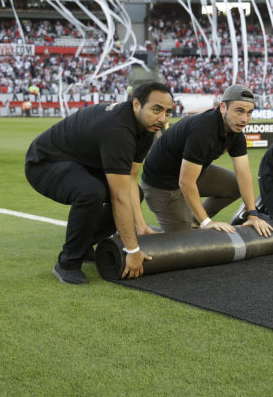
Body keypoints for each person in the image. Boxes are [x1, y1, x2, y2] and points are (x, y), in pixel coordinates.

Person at [25, 81, 175, 284]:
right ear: (136, 104)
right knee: (91, 192)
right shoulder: (118, 129)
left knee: (136, 194)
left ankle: (84, 244)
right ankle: (67, 263)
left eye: (167, 112)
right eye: (156, 110)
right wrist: (133, 250)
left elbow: (130, 178)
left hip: (81, 164)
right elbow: (119, 197)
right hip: (44, 163)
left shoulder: (147, 128)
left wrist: (140, 225)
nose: (162, 118)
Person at [140, 84, 273, 237]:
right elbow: (185, 182)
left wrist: (253, 215)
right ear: (223, 107)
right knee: (183, 240)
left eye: (249, 113)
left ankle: (195, 221)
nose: (244, 119)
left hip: (190, 173)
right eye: (239, 111)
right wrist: (207, 222)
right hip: (161, 184)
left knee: (235, 185)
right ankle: (135, 233)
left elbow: (244, 175)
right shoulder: (203, 131)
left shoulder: (236, 132)